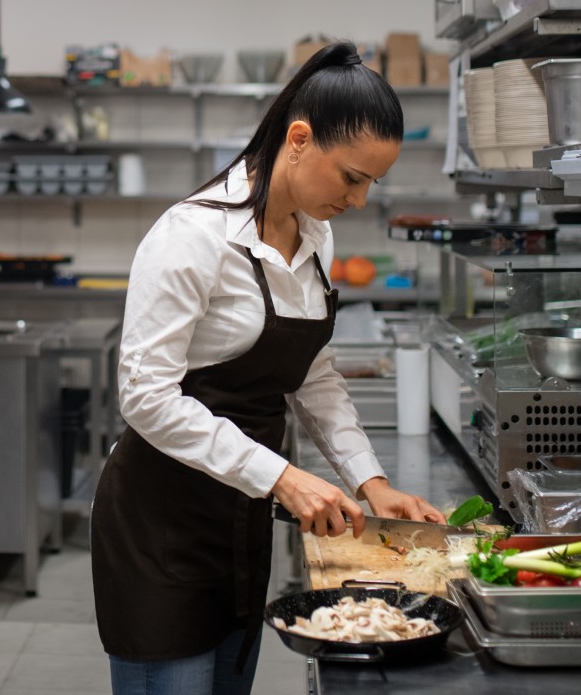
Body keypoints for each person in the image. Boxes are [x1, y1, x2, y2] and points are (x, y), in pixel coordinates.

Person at [91, 41, 444, 695]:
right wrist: (282, 476)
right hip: (162, 521)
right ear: (301, 139)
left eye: (372, 182)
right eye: (352, 176)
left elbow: (312, 375)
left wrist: (371, 481)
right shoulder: (190, 237)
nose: (360, 200)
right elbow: (145, 397)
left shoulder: (315, 235)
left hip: (241, 517)